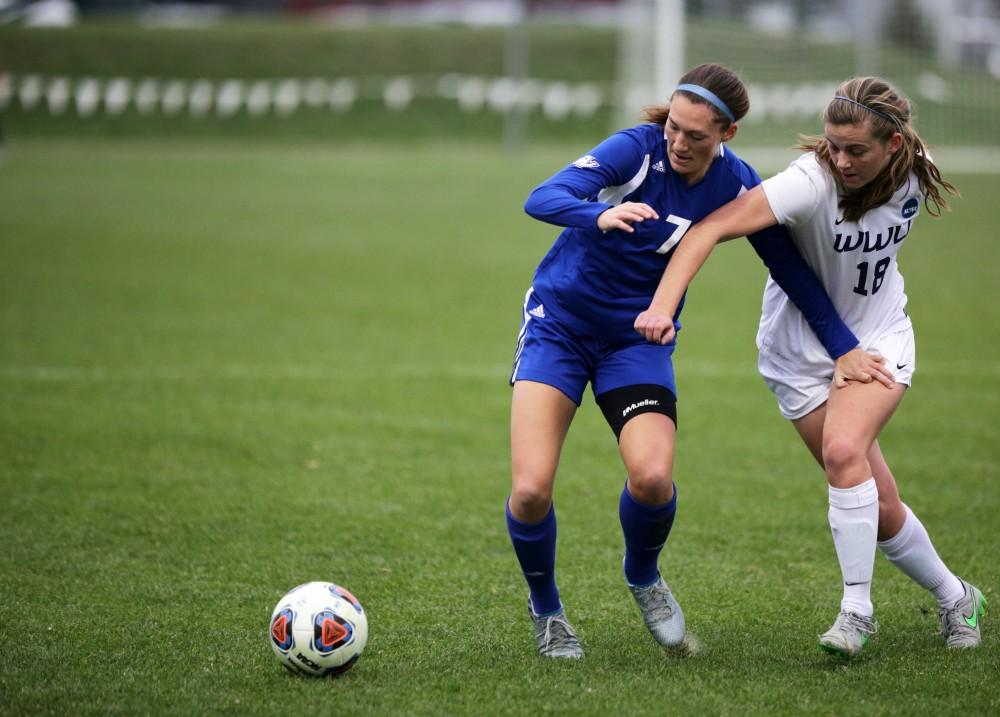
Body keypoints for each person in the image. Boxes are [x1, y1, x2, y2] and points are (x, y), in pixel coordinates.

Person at [505, 63, 887, 659]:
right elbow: (542, 197)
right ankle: (548, 610)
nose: (680, 143)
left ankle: (644, 577)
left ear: (727, 135)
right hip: (559, 327)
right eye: (674, 129)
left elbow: (789, 269)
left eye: (697, 136)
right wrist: (597, 213)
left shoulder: (737, 185)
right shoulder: (634, 151)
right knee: (530, 491)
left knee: (653, 479)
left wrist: (845, 347)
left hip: (637, 342)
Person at [634, 76, 986, 657]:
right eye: (833, 145)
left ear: (895, 145)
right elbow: (712, 226)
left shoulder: (914, 165)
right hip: (797, 353)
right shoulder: (807, 182)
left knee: (844, 454)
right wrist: (662, 308)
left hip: (876, 338)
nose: (841, 160)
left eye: (856, 150)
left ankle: (856, 611)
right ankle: (957, 597)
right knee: (878, 503)